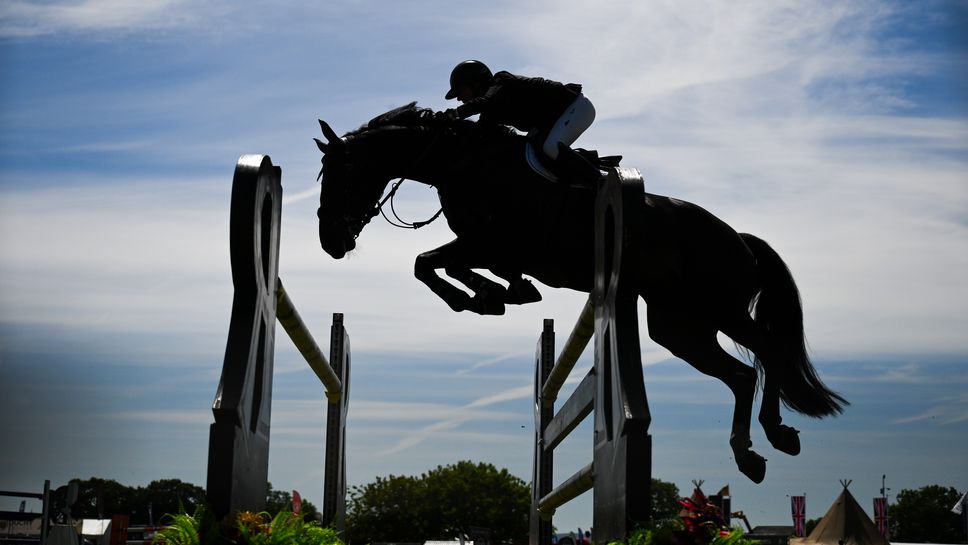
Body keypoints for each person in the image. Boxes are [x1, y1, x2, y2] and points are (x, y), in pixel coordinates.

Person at [443, 60, 601, 183]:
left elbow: (486, 101)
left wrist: (455, 114)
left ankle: (602, 182)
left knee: (549, 148)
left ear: (476, 83)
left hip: (576, 107)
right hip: (554, 119)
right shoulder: (490, 112)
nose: (458, 98)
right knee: (527, 153)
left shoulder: (500, 81)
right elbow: (479, 135)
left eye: (460, 91)